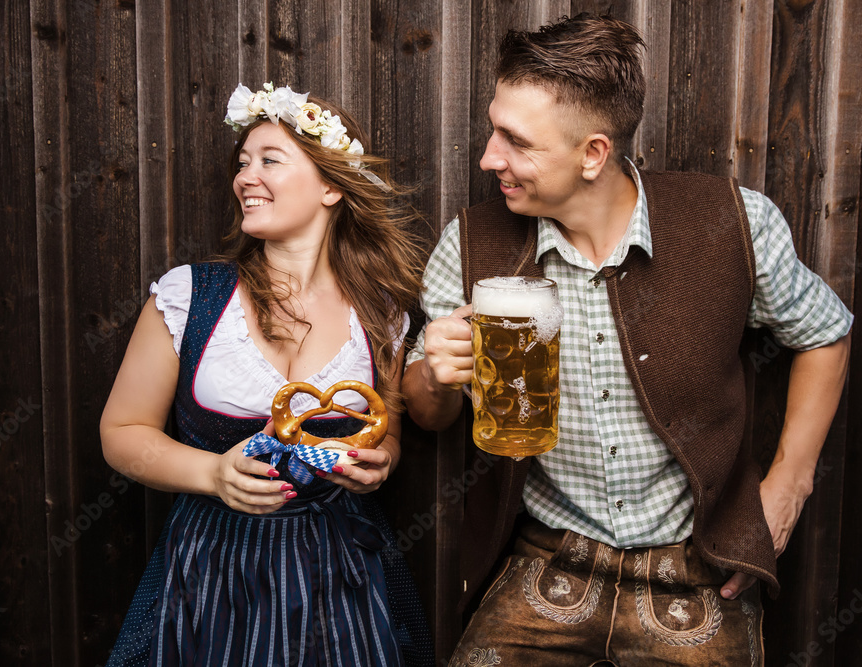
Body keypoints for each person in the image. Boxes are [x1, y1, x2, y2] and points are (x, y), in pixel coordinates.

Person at [402, 13, 852, 666]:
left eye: (516, 141)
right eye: (493, 129)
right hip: (547, 557)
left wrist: (791, 480)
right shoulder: (470, 242)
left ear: (593, 153)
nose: (488, 158)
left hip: (698, 563)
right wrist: (432, 375)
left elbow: (826, 333)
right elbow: (427, 412)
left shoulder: (733, 223)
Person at [101, 82, 433, 666]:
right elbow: (122, 433)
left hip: (339, 576)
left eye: (269, 161)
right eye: (242, 162)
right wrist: (213, 474)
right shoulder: (189, 297)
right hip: (209, 571)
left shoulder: (380, 314)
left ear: (331, 186)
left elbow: (387, 437)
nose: (245, 178)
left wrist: (380, 463)